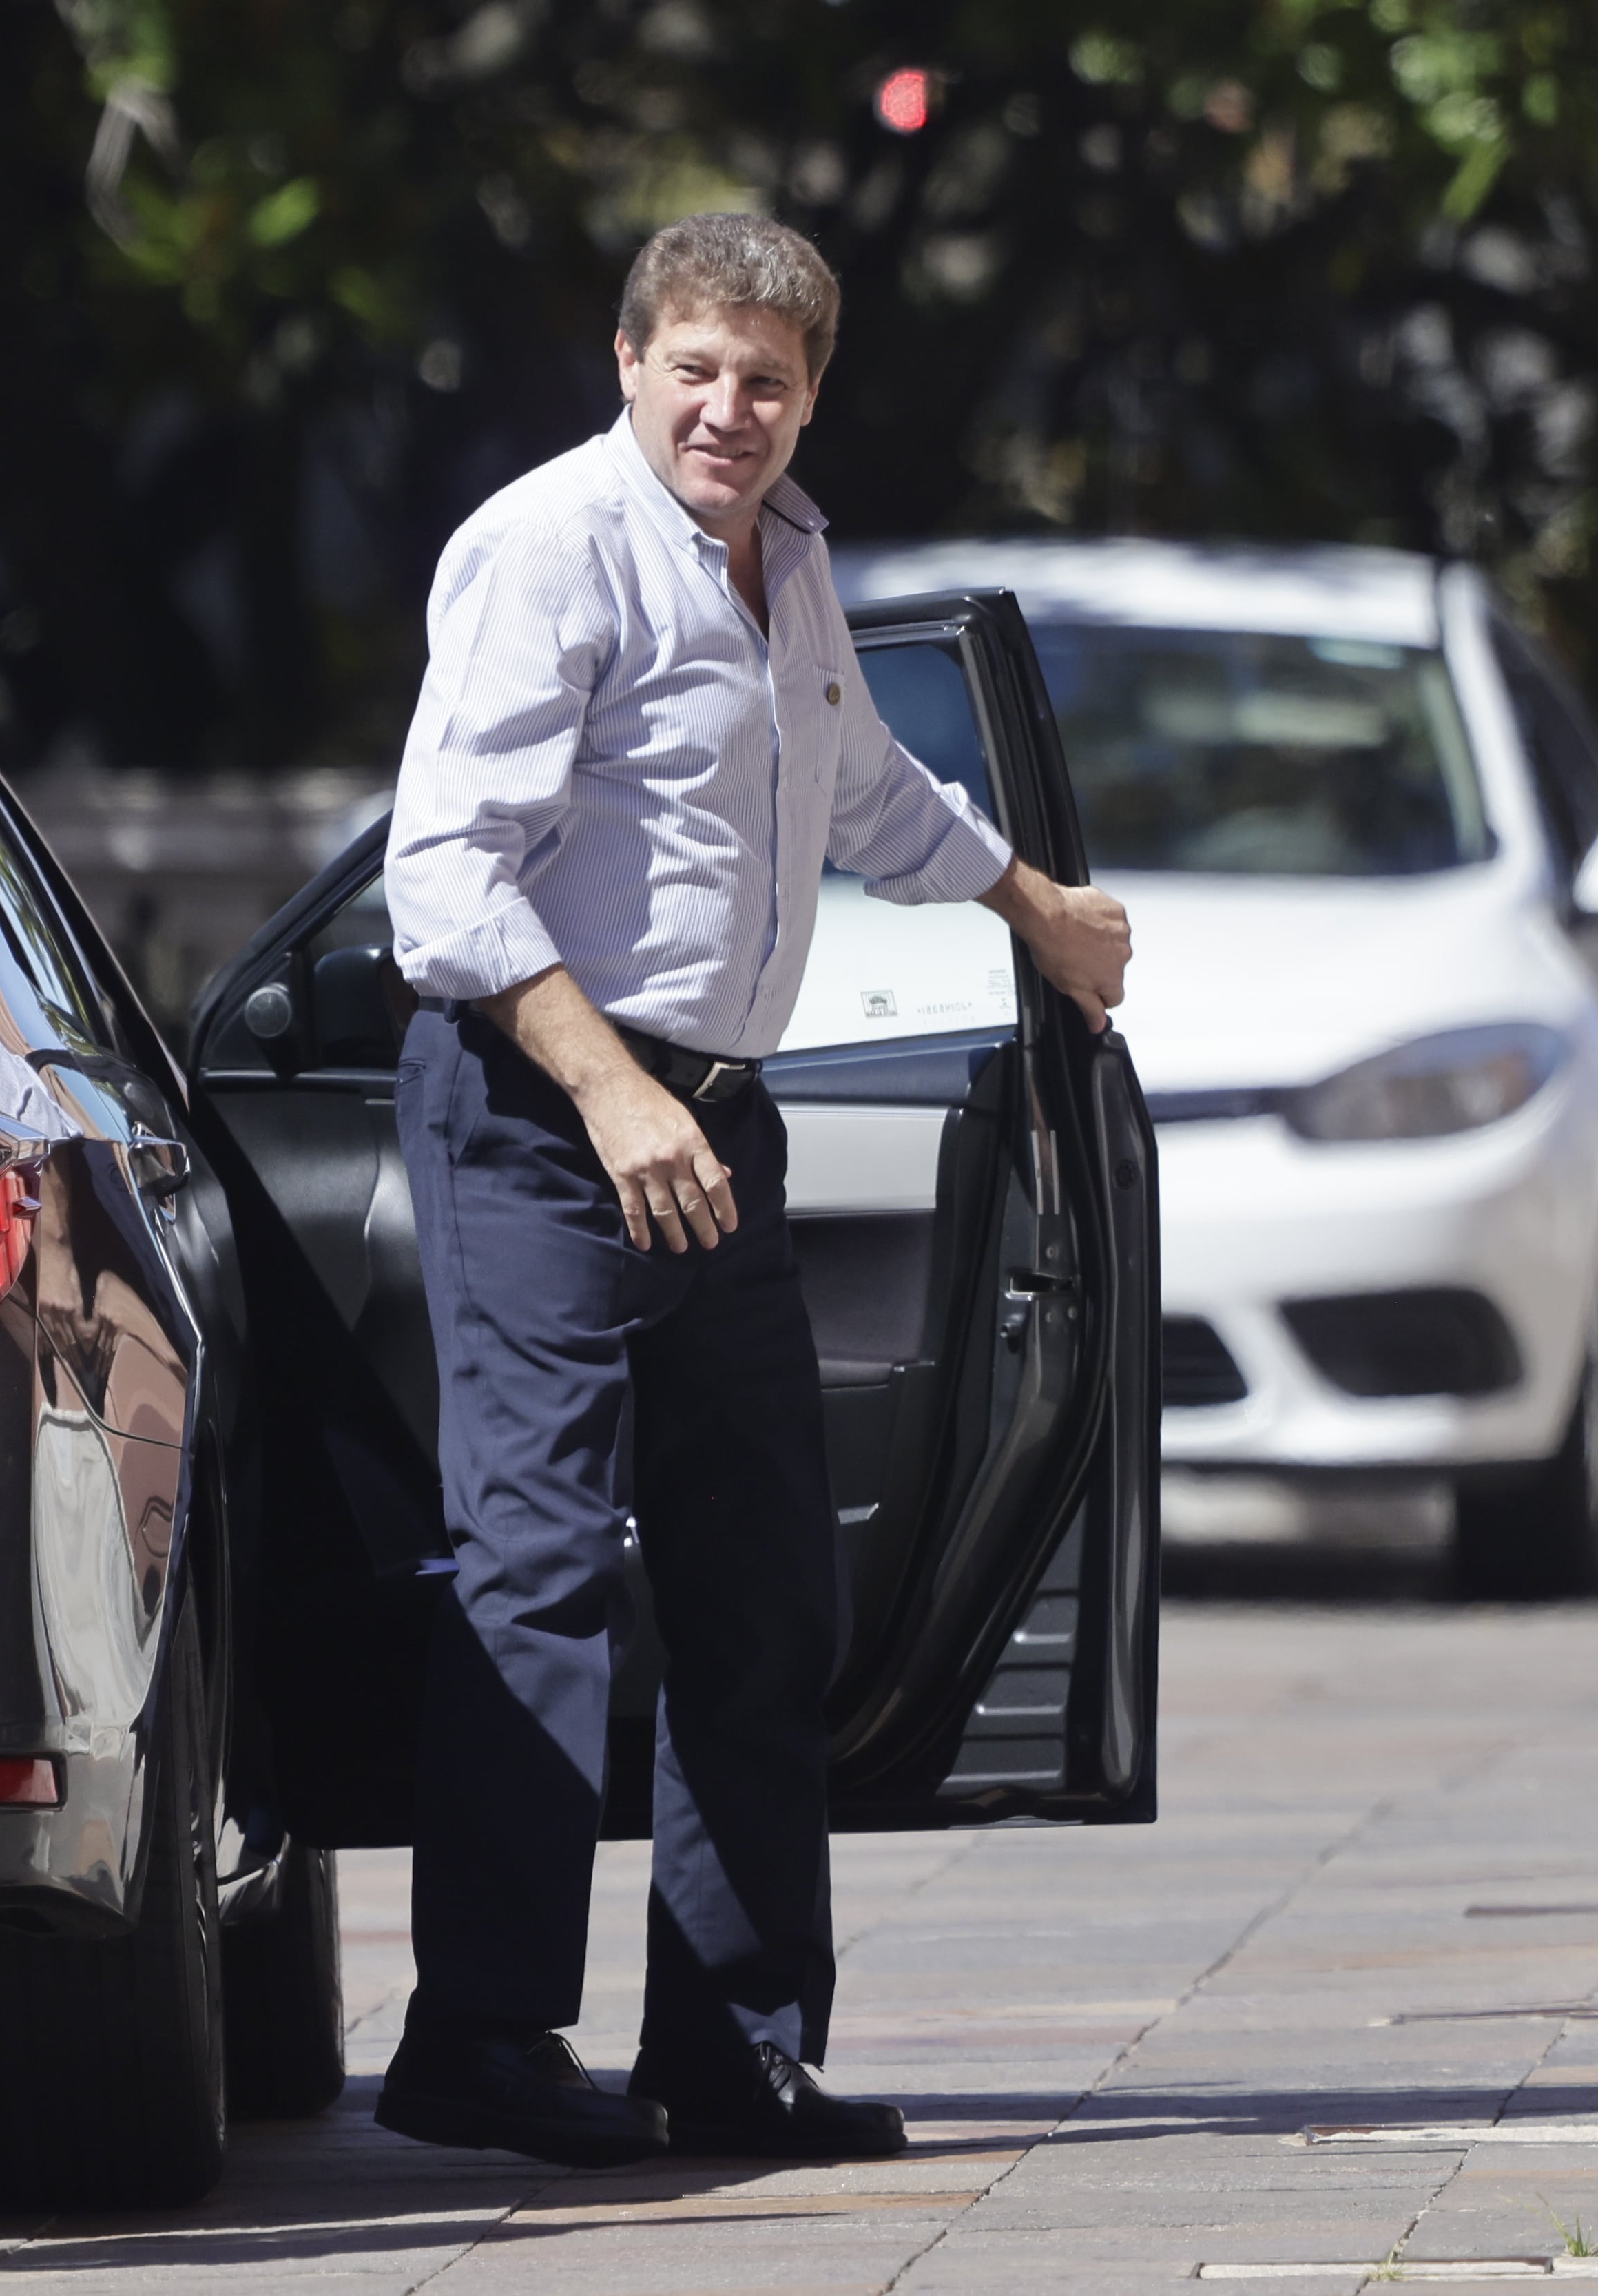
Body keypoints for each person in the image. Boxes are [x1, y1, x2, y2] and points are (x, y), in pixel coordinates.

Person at [370, 214, 1134, 2169]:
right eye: (696, 367)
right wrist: (613, 1088)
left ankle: (730, 2046)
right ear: (628, 361)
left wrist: (1027, 903)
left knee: (759, 1588)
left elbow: (863, 785)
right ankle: (481, 2039)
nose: (730, 410)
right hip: (550, 1111)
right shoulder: (551, 548)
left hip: (718, 1121)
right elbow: (444, 875)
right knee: (536, 1575)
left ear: (812, 397)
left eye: (769, 381)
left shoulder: (786, 562)